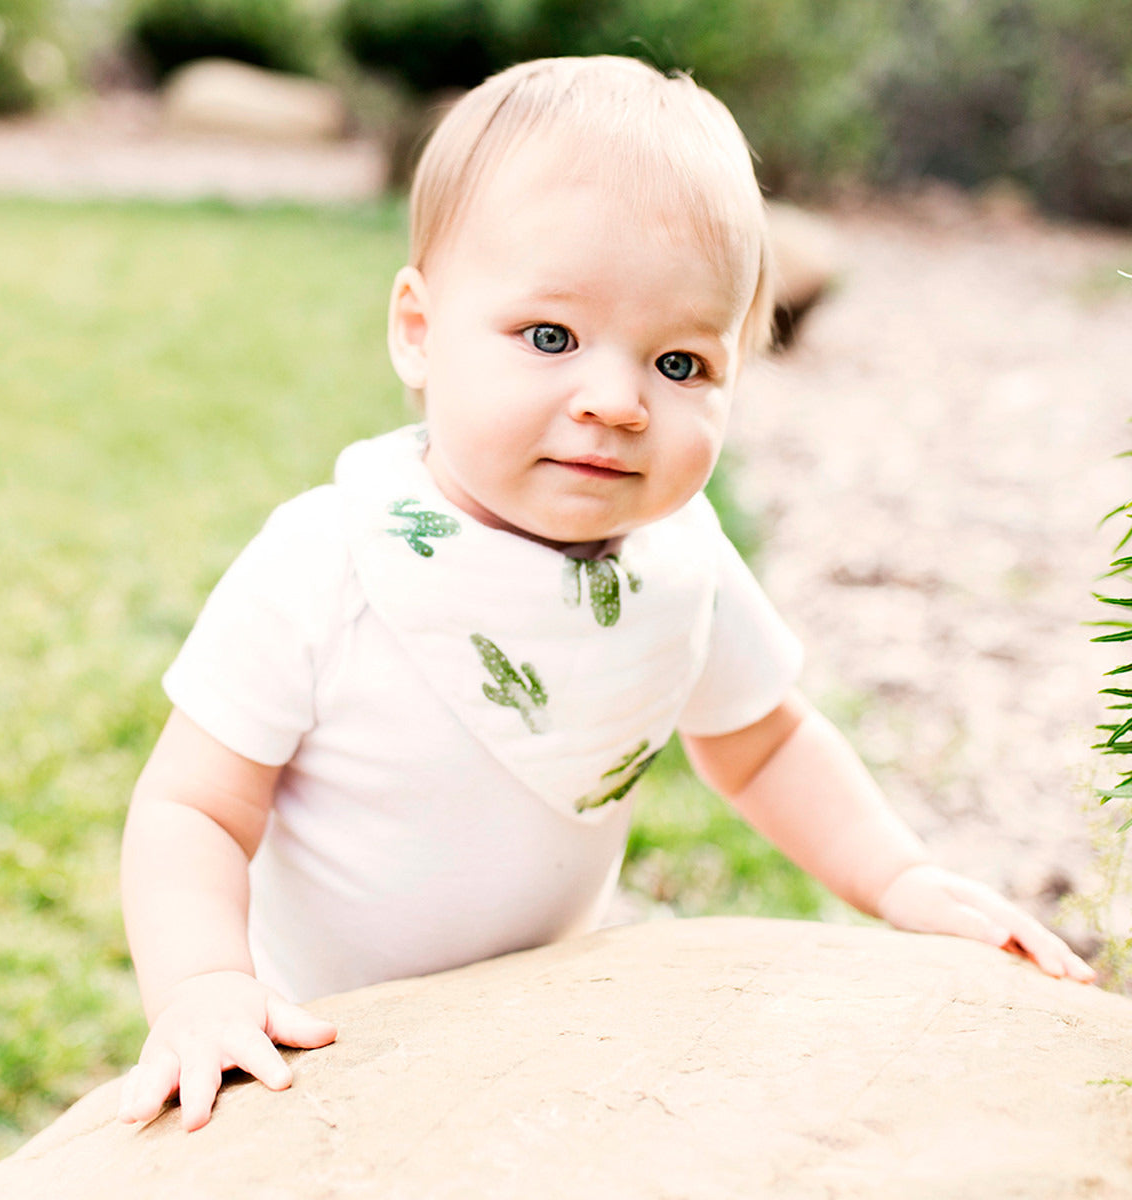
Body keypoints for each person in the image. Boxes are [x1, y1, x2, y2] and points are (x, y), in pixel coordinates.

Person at [117, 55, 1093, 1132]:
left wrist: (898, 877)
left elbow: (762, 743)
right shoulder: (330, 558)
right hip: (316, 1033)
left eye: (680, 364)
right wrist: (209, 988)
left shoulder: (677, 561)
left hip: (532, 1023)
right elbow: (192, 809)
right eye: (551, 338)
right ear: (417, 331)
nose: (618, 402)